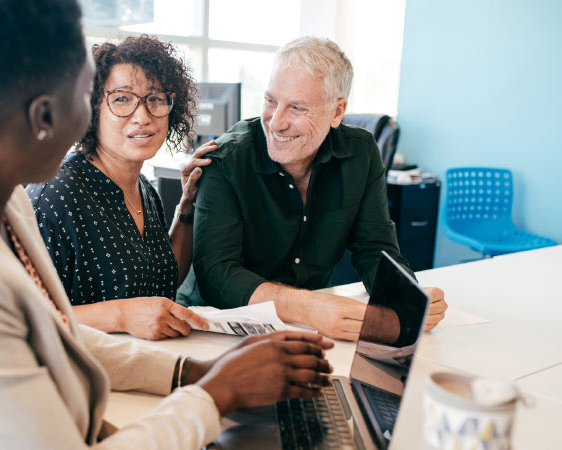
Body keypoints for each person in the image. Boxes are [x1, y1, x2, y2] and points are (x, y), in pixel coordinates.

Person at [0, 2, 335, 449]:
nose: (134, 116)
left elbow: (54, 331)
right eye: (94, 96)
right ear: (44, 116)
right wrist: (217, 396)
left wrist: (188, 374)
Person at [184, 37, 447, 341]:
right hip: (214, 326)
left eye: (296, 107)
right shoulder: (225, 159)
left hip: (304, 328)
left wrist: (406, 297)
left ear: (337, 112)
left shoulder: (361, 153)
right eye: (271, 101)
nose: (276, 122)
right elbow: (217, 275)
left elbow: (375, 248)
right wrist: (308, 307)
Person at [27, 35, 216, 340]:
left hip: (143, 365)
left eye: (154, 99)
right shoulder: (56, 196)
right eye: (122, 99)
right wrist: (120, 315)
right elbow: (25, 317)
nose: (142, 116)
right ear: (90, 109)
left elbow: (160, 284)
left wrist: (187, 207)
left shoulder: (143, 189)